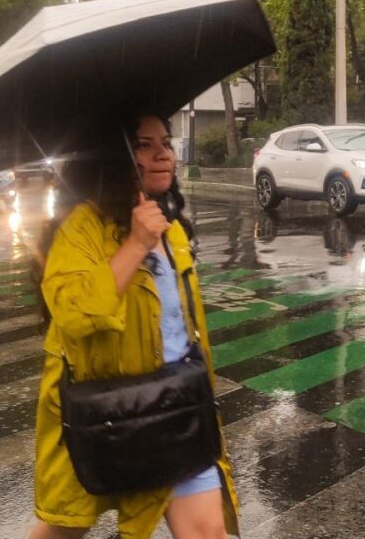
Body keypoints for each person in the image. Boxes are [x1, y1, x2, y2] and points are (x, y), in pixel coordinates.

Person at [29, 114, 239, 539]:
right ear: (116, 156)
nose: (163, 154)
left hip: (176, 406)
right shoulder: (81, 229)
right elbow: (73, 313)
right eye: (144, 145)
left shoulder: (172, 227)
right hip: (105, 414)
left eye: (166, 142)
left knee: (208, 533)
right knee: (61, 530)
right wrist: (135, 244)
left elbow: (185, 325)